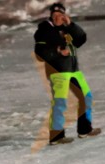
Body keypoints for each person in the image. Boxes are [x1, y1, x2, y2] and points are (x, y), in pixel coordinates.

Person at [34, 2, 100, 145]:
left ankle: (84, 129)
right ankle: (56, 136)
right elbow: (40, 51)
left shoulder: (67, 28)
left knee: (86, 96)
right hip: (58, 71)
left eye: (61, 15)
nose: (58, 17)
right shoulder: (45, 29)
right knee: (60, 102)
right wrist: (57, 52)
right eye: (55, 15)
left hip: (74, 70)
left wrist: (71, 25)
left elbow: (81, 39)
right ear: (51, 16)